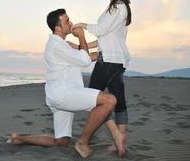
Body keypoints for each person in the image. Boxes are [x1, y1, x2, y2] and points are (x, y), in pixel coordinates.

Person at [7, 9, 125, 158]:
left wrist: (111, 55)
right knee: (109, 100)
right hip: (65, 94)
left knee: (61, 141)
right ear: (57, 28)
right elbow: (84, 60)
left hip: (57, 97)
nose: (70, 23)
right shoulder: (57, 46)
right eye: (67, 21)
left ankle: (19, 139)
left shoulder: (59, 45)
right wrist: (81, 36)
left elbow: (86, 57)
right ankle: (83, 142)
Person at [71, 0, 132, 152]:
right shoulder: (116, 8)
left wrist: (83, 25)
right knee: (118, 101)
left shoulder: (119, 7)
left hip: (109, 62)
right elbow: (104, 38)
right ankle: (121, 141)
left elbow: (101, 29)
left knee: (93, 99)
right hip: (115, 60)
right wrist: (79, 47)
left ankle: (117, 135)